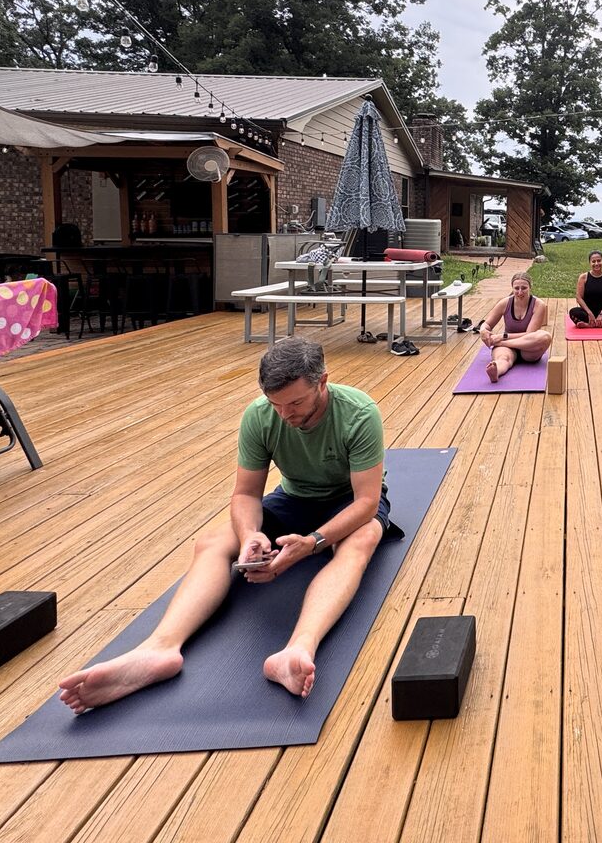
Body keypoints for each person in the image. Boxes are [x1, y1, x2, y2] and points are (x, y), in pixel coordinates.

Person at [58, 337, 397, 710]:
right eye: (276, 404)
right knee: (212, 542)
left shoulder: (359, 413)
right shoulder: (259, 416)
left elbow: (366, 502)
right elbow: (246, 494)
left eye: (296, 403)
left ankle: (298, 649)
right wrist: (250, 535)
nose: (285, 414)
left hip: (348, 500)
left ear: (322, 382)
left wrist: (313, 543)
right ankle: (159, 649)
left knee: (359, 543)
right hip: (294, 497)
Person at [479, 271, 552, 382]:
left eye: (524, 288)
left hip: (527, 348)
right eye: (516, 288)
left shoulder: (538, 305)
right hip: (508, 347)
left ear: (530, 287)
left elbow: (529, 335)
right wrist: (483, 330)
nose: (520, 292)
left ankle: (501, 344)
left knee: (545, 336)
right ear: (512, 288)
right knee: (503, 358)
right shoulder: (505, 303)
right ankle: (496, 371)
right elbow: (487, 324)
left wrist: (502, 338)